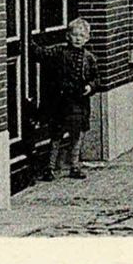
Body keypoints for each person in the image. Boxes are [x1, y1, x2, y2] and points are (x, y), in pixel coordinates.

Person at [32, 18, 98, 180]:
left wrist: (90, 87)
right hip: (61, 102)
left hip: (79, 103)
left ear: (87, 38)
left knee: (77, 135)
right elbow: (41, 53)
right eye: (74, 35)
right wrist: (30, 42)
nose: (77, 39)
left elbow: (96, 78)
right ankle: (50, 167)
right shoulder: (59, 51)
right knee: (56, 135)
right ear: (68, 36)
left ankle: (74, 165)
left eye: (81, 36)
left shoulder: (89, 58)